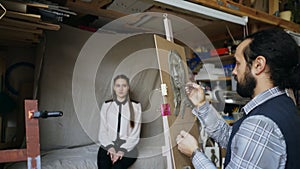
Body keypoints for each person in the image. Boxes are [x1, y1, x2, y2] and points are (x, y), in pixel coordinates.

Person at [176, 28, 300, 168]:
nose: (234, 71)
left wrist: (194, 153)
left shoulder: (261, 124)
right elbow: (233, 139)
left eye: (238, 63)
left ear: (258, 65)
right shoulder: (284, 104)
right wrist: (202, 105)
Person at [97, 74, 142, 169]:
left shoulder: (136, 107)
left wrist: (122, 150)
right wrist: (110, 147)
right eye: (118, 85)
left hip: (129, 148)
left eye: (124, 86)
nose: (121, 89)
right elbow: (103, 131)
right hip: (108, 145)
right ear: (114, 88)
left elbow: (135, 134)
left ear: (128, 88)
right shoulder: (106, 105)